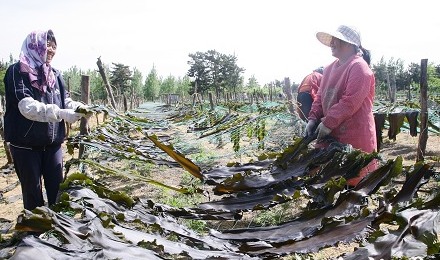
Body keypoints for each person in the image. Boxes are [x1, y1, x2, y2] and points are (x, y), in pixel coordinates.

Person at [3, 30, 88, 210]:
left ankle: (57, 230)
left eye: (54, 47)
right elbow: (26, 107)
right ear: (35, 46)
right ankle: (34, 234)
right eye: (47, 45)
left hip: (53, 146)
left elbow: (66, 101)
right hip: (25, 146)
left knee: (58, 191)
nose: (51, 50)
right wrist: (61, 113)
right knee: (33, 195)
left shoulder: (55, 75)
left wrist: (78, 108)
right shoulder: (17, 71)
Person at [305, 25, 377, 186]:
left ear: (351, 44)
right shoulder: (329, 68)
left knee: (354, 180)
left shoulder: (359, 67)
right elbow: (320, 97)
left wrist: (328, 122)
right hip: (331, 134)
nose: (332, 43)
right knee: (329, 180)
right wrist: (312, 119)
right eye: (332, 39)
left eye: (337, 39)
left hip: (354, 133)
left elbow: (350, 101)